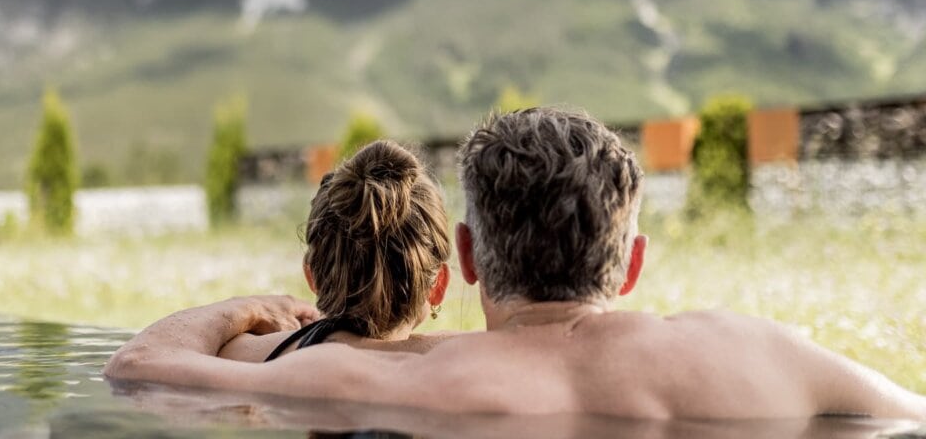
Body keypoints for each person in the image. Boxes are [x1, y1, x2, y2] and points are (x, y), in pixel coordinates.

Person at [106, 108, 926, 421]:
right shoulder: (764, 354)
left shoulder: (394, 381)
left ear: (465, 258)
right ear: (631, 263)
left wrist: (243, 309)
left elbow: (142, 367)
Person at [219, 139, 453, 362]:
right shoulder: (460, 367)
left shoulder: (248, 356)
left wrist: (251, 308)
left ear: (312, 276)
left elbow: (181, 342)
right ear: (438, 285)